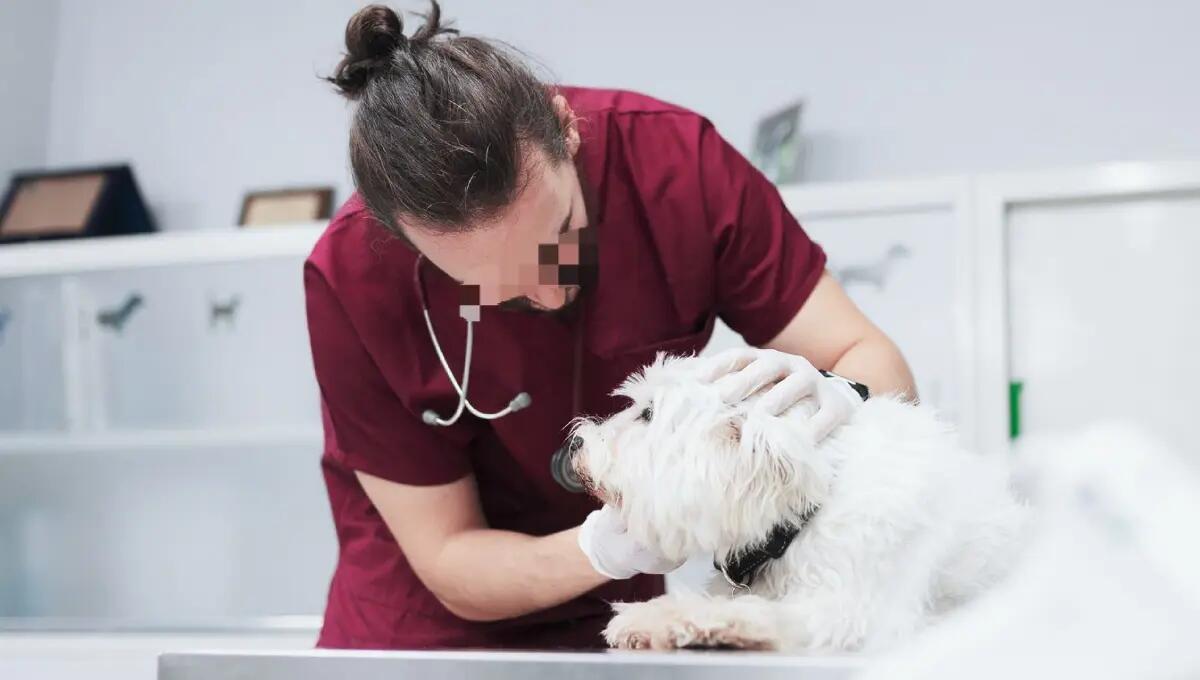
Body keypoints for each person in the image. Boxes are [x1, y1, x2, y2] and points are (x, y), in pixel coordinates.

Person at [304, 1, 917, 650]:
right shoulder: (351, 277)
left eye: (558, 238)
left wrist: (837, 399)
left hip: (623, 626)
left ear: (568, 129)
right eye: (493, 285)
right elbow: (452, 560)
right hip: (427, 639)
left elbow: (868, 357)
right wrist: (606, 547)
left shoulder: (678, 169)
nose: (544, 295)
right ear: (404, 241)